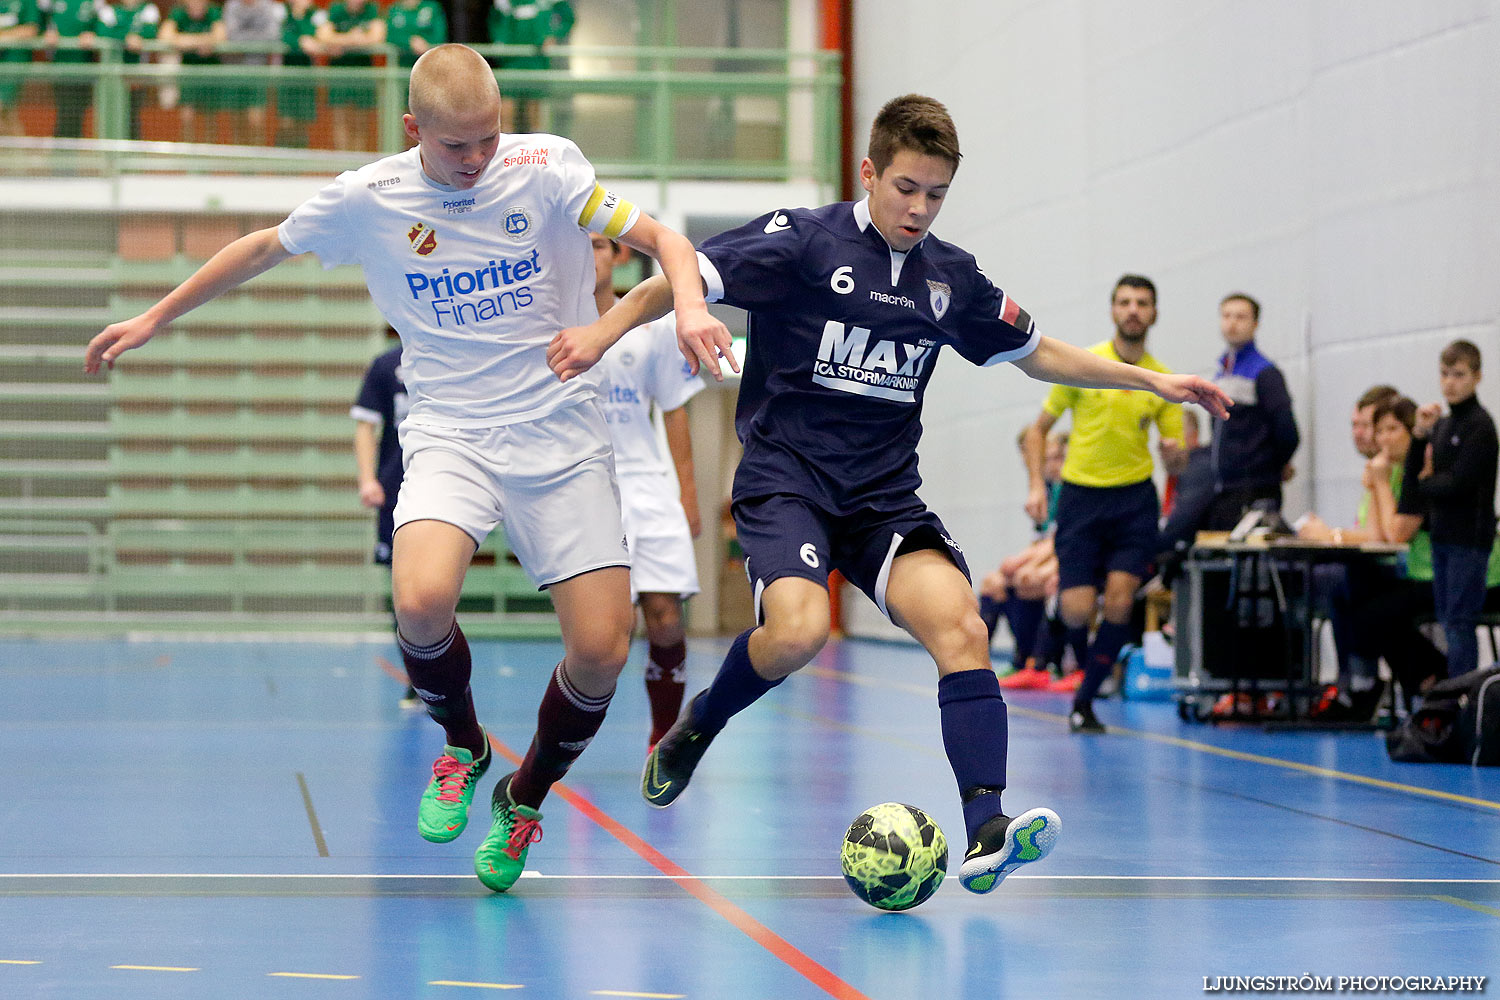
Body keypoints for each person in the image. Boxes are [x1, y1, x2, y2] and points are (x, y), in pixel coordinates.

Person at [86, 43, 733, 894]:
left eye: (487, 139)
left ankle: (524, 793)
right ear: (412, 129)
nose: (474, 161)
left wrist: (685, 305)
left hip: (561, 436)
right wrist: (157, 316)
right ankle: (464, 745)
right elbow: (259, 247)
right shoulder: (371, 197)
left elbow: (663, 239)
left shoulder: (548, 168)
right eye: (455, 144)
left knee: (602, 653)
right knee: (421, 600)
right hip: (451, 432)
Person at [547, 95, 1231, 895]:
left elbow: (1039, 353)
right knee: (797, 632)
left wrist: (1154, 379)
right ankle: (702, 719)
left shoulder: (950, 278)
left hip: (883, 500)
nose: (919, 207)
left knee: (964, 627)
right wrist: (601, 332)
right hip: (787, 481)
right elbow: (682, 273)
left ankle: (986, 830)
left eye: (936, 194)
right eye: (906, 187)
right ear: (869, 172)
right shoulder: (803, 242)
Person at [1021, 274, 1189, 734]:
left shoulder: (1160, 379)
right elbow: (1036, 430)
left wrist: (1175, 456)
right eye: (1125, 302)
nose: (1133, 309)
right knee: (1076, 608)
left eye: (1142, 303)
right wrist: (1038, 486)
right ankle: (1080, 667)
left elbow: (1176, 456)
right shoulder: (1084, 366)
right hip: (1080, 498)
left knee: (1118, 601)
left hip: (1133, 501)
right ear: (1113, 310)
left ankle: (1086, 698)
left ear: (1153, 313)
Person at [590, 233, 706, 750]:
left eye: (600, 244)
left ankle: (663, 739)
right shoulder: (548, 323)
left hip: (647, 486)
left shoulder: (648, 325)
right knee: (602, 637)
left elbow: (675, 410)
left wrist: (688, 495)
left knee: (665, 619)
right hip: (586, 488)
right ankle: (573, 736)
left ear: (617, 255)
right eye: (582, 245)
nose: (592, 255)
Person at [1399, 339, 1498, 680]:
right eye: (1444, 374)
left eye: (1459, 375)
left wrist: (1431, 482)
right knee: (1446, 619)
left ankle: (1462, 700)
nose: (1450, 383)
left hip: (1468, 541)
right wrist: (1420, 434)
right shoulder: (1442, 426)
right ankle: (1449, 696)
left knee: (1459, 622)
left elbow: (1458, 485)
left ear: (1477, 377)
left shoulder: (1481, 427)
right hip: (1442, 537)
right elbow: (1413, 483)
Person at [351, 331, 418, 707]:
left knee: (437, 589)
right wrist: (367, 479)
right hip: (395, 489)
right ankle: (418, 675)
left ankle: (437, 675)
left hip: (445, 486)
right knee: (403, 592)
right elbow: (366, 425)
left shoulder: (455, 356)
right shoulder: (386, 365)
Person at [1202, 293, 1299, 529]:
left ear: (1255, 324)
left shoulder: (1265, 373)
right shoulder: (1222, 371)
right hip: (1225, 487)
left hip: (1255, 489)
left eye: (1241, 317)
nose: (1232, 322)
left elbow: (1288, 431)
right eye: (1226, 316)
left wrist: (1273, 466)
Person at [486, 0, 572, 133]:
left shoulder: (546, 4)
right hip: (510, 61)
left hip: (537, 61)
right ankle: (506, 150)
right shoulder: (504, 4)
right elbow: (494, 22)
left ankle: (538, 150)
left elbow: (567, 17)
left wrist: (552, 35)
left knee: (535, 112)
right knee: (506, 111)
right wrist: (501, 42)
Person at [317, 0, 382, 151]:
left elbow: (377, 37)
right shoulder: (336, 10)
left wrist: (342, 42)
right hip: (339, 73)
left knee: (360, 122)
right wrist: (352, 39)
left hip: (364, 73)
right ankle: (342, 159)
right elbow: (323, 35)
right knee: (340, 120)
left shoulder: (372, 10)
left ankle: (357, 161)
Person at [91, 0, 159, 141]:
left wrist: (119, 32)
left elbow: (150, 31)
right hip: (112, 78)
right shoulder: (109, 10)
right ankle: (111, 156)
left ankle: (133, 157)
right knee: (111, 117)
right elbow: (103, 31)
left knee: (133, 118)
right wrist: (127, 38)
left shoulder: (149, 9)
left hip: (137, 77)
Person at [160, 0, 224, 144]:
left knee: (210, 117)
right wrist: (200, 41)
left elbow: (220, 36)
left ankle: (209, 154)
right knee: (186, 116)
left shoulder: (214, 12)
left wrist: (184, 41)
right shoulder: (178, 12)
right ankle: (188, 153)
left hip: (211, 72)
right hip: (187, 71)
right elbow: (165, 36)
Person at [220, 0, 280, 145]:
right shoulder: (232, 6)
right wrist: (256, 41)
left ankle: (257, 163)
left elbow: (272, 36)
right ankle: (238, 163)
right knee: (237, 121)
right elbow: (230, 37)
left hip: (258, 73)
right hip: (235, 74)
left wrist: (244, 41)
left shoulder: (267, 7)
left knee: (256, 121)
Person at [39, 0, 96, 139]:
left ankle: (68, 153)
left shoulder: (94, 3)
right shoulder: (48, 3)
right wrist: (45, 33)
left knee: (76, 114)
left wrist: (94, 34)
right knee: (65, 112)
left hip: (84, 67)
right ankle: (62, 152)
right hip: (59, 67)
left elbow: (103, 26)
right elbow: (37, 23)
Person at [274, 0, 324, 147]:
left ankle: (300, 162)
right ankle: (284, 162)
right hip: (285, 76)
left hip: (308, 76)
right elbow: (279, 34)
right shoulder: (281, 12)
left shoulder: (317, 15)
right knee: (286, 122)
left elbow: (318, 37)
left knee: (303, 122)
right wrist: (299, 41)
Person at [0, 0, 41, 137]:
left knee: (3, 109)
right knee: (7, 114)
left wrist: (4, 37)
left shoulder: (26, 2)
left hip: (14, 63)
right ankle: (20, 153)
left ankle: (19, 153)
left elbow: (31, 29)